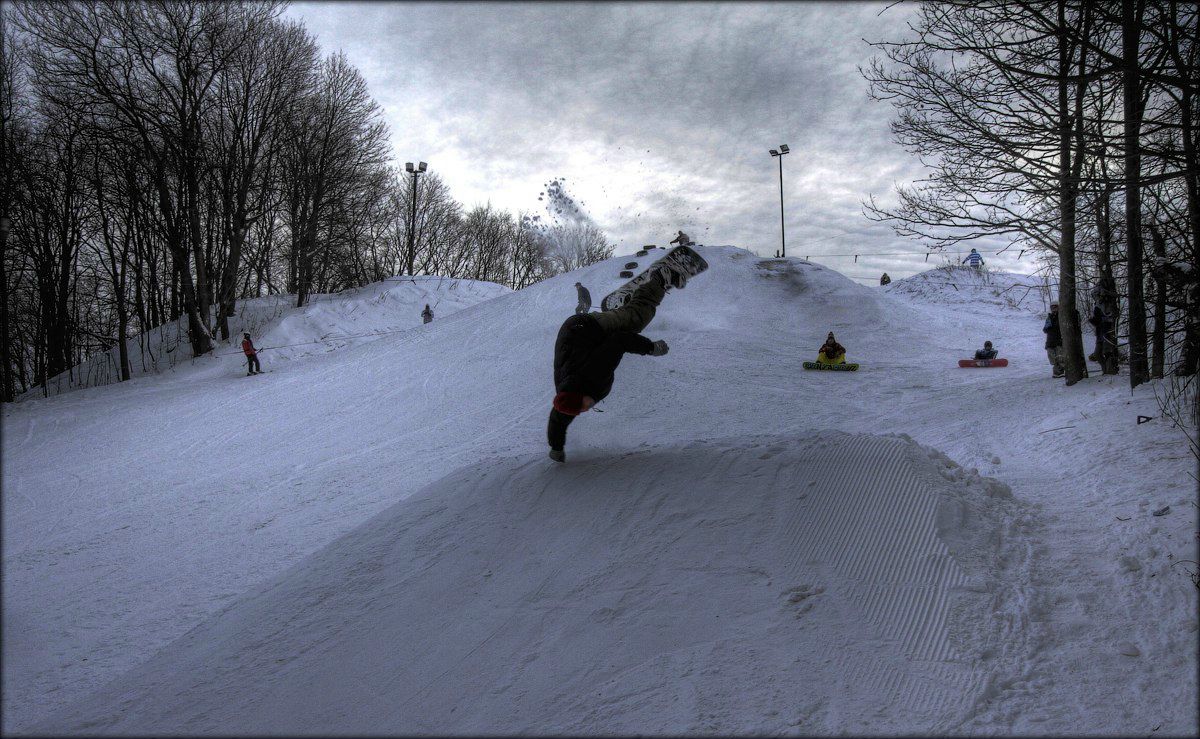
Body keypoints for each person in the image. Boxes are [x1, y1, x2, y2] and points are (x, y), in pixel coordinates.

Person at [548, 263, 689, 462]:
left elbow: (619, 341)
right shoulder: (568, 396)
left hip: (588, 327)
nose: (585, 409)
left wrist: (651, 348)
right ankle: (622, 309)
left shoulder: (591, 375)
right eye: (581, 409)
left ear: (580, 394)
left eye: (583, 406)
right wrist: (556, 448)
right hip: (575, 334)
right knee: (624, 322)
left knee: (636, 319)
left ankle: (660, 278)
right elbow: (557, 419)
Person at [1087, 288, 1114, 362]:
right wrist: (1091, 320)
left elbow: (1109, 318)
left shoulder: (1107, 304)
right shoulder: (1097, 305)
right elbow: (1097, 321)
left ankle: (1110, 370)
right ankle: (1105, 370)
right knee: (1097, 354)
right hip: (1100, 332)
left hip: (1106, 332)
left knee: (1107, 353)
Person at [1043, 302, 1065, 378]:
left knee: (1060, 357)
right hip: (1050, 341)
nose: (1054, 308)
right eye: (1052, 307)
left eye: (1055, 307)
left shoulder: (1062, 316)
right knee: (1052, 357)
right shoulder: (1049, 317)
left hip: (1059, 340)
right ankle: (1056, 371)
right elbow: (1045, 329)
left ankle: (1061, 371)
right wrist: (1049, 328)